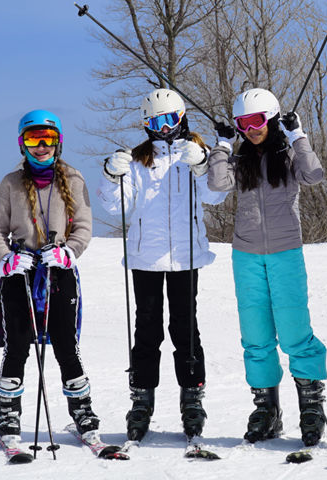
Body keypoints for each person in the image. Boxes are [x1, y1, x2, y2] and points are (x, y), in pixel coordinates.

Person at [96, 88, 228, 442]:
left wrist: (202, 165)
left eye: (170, 119)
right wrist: (111, 176)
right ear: (146, 125)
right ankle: (141, 400)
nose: (164, 128)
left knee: (185, 329)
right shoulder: (139, 161)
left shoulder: (193, 154)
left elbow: (216, 196)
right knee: (147, 330)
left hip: (186, 257)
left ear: (182, 117)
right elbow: (115, 207)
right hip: (147, 258)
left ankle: (192, 398)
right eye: (155, 122)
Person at [207, 88, 327, 447]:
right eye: (243, 123)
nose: (251, 129)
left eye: (258, 121)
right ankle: (266, 409)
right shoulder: (238, 158)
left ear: (272, 119)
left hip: (285, 251)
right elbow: (217, 183)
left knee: (294, 332)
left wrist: (299, 136)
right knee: (256, 335)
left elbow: (315, 174)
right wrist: (222, 146)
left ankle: (311, 405)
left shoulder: (289, 154)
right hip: (246, 255)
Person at [0, 110, 103, 442]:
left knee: (66, 343)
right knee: (17, 345)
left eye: (48, 139)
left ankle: (82, 411)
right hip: (21, 272)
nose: (41, 147)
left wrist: (69, 251)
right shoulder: (10, 182)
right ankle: (8, 414)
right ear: (22, 144)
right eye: (33, 140)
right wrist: (6, 258)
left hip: (59, 270)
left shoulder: (74, 178)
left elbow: (83, 226)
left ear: (59, 142)